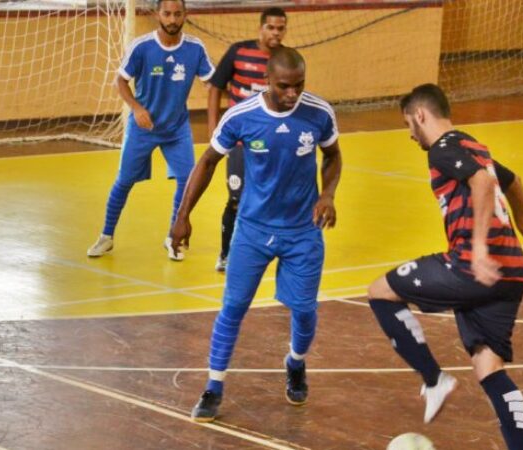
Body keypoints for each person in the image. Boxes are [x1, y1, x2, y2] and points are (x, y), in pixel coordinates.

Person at [366, 83, 523, 449]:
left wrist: (479, 247)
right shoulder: (473, 146)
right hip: (512, 272)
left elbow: (482, 182)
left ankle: (434, 380)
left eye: (408, 124)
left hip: (472, 266)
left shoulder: (442, 149)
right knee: (488, 367)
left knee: (380, 292)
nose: (409, 134)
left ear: (420, 115)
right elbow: (512, 181)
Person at [170, 47, 342, 422]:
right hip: (252, 229)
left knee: (305, 311)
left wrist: (327, 194)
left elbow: (333, 156)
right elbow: (208, 161)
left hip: (302, 231)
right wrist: (183, 216)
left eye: (299, 85)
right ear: (267, 81)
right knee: (232, 308)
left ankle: (295, 362)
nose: (292, 94)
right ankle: (213, 387)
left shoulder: (319, 113)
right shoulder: (242, 116)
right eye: (284, 86)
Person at [86, 0, 214, 260]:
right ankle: (106, 236)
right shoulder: (142, 47)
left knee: (186, 181)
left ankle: (173, 236)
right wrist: (135, 108)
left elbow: (213, 84)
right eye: (167, 14)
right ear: (158, 14)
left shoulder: (195, 48)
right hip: (143, 127)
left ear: (185, 15)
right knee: (124, 181)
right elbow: (120, 80)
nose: (172, 20)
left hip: (177, 129)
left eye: (178, 14)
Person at [207, 7, 287, 271]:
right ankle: (225, 253)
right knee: (236, 198)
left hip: (273, 144)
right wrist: (213, 128)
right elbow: (216, 86)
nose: (276, 33)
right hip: (241, 143)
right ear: (261, 28)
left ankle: (269, 249)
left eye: (281, 28)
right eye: (271, 27)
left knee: (274, 197)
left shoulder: (286, 60)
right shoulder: (239, 52)